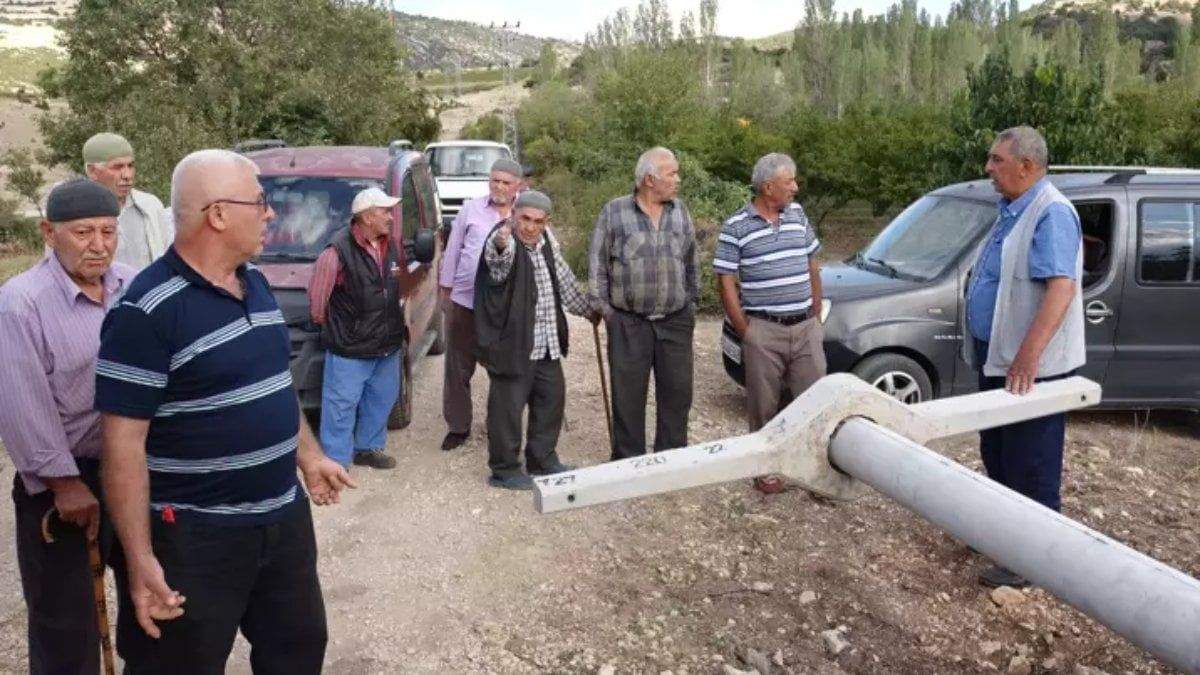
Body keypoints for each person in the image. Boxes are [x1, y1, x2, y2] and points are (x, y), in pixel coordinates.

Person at [95, 149, 355, 674]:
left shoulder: (254, 282)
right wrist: (140, 560)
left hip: (281, 520)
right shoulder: (145, 312)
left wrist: (308, 457)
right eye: (259, 202)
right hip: (194, 537)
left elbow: (274, 384)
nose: (270, 213)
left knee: (298, 652)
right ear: (217, 214)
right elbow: (122, 447)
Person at [0, 179, 134, 674]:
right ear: (48, 232)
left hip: (133, 468)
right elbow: (21, 404)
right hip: (65, 483)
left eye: (108, 231)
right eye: (82, 233)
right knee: (65, 622)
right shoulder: (21, 302)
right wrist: (64, 483)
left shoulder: (133, 285)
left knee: (150, 594)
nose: (98, 245)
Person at [962, 126, 1085, 588]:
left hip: (1031, 369)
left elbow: (1061, 288)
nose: (988, 168)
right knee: (998, 452)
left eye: (997, 160)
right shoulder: (1011, 209)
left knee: (1030, 463)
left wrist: (1028, 356)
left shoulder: (1051, 212)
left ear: (1027, 166)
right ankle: (1003, 538)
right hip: (1000, 360)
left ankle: (1030, 561)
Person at [714, 153, 826, 494]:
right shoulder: (736, 226)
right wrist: (746, 331)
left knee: (815, 403)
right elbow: (725, 281)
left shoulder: (798, 215)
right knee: (763, 406)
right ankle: (765, 472)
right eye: (789, 181)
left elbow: (812, 264)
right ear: (767, 187)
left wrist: (815, 314)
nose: (795, 187)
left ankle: (815, 471)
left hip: (805, 328)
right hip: (764, 331)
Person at [475, 190, 600, 490]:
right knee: (507, 410)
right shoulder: (504, 239)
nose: (530, 227)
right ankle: (504, 470)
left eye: (538, 221)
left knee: (551, 400)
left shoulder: (547, 245)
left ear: (547, 222)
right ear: (514, 215)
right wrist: (501, 242)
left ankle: (542, 460)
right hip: (512, 344)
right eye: (525, 219)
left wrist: (590, 311)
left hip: (546, 343)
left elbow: (565, 284)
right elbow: (497, 259)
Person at [588, 147, 698, 461]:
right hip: (628, 323)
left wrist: (690, 304)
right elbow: (597, 263)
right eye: (672, 173)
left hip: (675, 321)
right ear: (650, 179)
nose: (678, 179)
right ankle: (629, 464)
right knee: (627, 398)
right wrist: (606, 311)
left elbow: (691, 261)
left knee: (677, 395)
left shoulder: (680, 211)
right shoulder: (614, 211)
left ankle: (670, 461)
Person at [307, 187, 409, 469]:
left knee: (381, 399)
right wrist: (341, 331)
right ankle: (336, 461)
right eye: (385, 211)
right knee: (340, 405)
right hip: (350, 347)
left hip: (387, 343)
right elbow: (318, 300)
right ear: (367, 217)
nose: (391, 216)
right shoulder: (336, 251)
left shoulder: (391, 245)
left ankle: (368, 448)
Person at [438, 158, 523, 452]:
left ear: (518, 186)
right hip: (465, 300)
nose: (499, 186)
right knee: (458, 367)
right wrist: (446, 290)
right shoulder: (470, 209)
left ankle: (498, 424)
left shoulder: (524, 214)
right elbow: (453, 250)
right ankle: (458, 427)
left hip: (505, 308)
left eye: (505, 182)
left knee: (503, 367)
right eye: (494, 180)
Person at [83, 132, 173, 269]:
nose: (127, 175)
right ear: (92, 171)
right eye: (117, 167)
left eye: (130, 166)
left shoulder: (151, 206)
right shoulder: (76, 213)